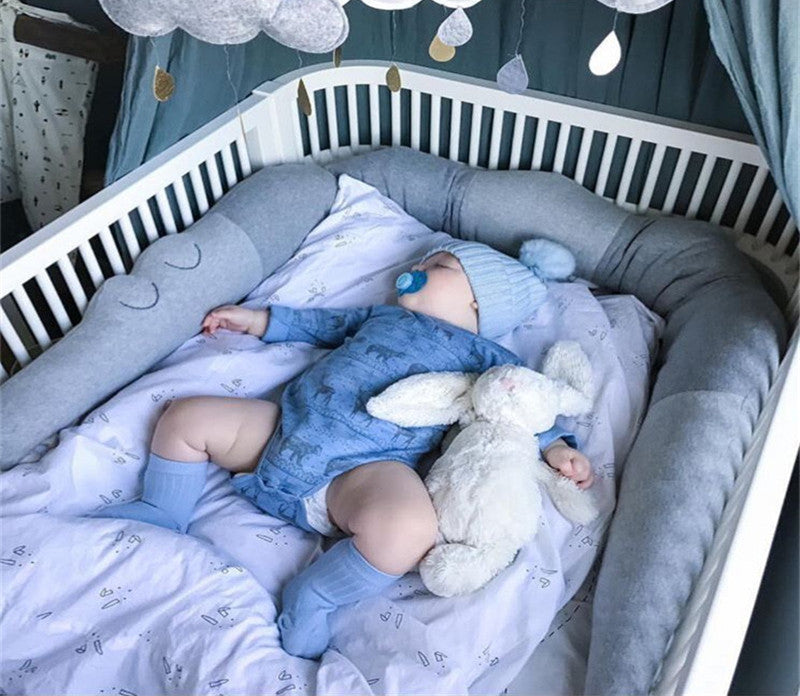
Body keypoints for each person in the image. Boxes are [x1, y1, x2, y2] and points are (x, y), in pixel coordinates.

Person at [92, 238, 594, 659]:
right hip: (283, 433)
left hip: (364, 472)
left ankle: (316, 595)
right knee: (186, 416)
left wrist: (556, 447)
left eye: (439, 267)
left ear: (480, 302)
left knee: (409, 529)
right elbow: (321, 326)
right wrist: (259, 321)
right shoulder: (380, 316)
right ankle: (163, 508)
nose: (416, 270)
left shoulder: (488, 356)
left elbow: (518, 406)